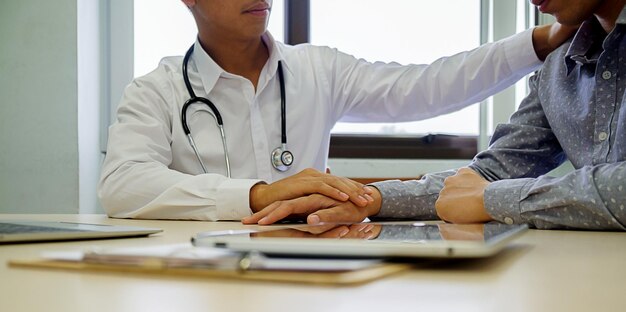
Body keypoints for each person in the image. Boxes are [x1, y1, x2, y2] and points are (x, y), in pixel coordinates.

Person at [98, 0, 574, 221]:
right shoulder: (154, 92)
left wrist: (538, 42)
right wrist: (259, 194)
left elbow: (425, 85)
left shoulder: (318, 69)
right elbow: (122, 186)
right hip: (196, 277)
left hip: (307, 266)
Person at [244, 0, 626, 231]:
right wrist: (369, 198)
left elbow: (487, 189)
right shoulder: (560, 70)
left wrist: (494, 199)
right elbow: (488, 175)